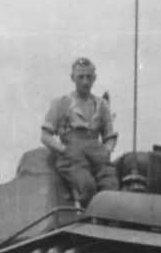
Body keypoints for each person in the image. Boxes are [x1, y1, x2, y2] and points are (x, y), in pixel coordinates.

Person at [40, 58, 119, 204]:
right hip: (72, 156)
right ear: (73, 78)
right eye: (80, 77)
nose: (85, 82)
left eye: (89, 77)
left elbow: (109, 136)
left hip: (97, 153)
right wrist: (64, 150)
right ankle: (87, 221)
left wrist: (106, 151)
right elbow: (45, 136)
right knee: (87, 186)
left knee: (111, 186)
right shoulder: (62, 103)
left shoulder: (101, 106)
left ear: (94, 78)